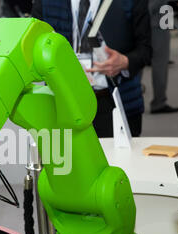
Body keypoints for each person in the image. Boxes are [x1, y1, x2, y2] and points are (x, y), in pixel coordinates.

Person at [32, 0, 152, 137]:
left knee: (118, 158)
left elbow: (146, 50)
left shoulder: (130, 3)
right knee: (66, 157)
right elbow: (33, 47)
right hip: (62, 103)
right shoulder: (46, 3)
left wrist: (124, 61)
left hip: (113, 101)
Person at [148, 0, 178, 114]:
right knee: (160, 64)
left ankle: (158, 101)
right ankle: (159, 102)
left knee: (158, 64)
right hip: (157, 24)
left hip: (158, 22)